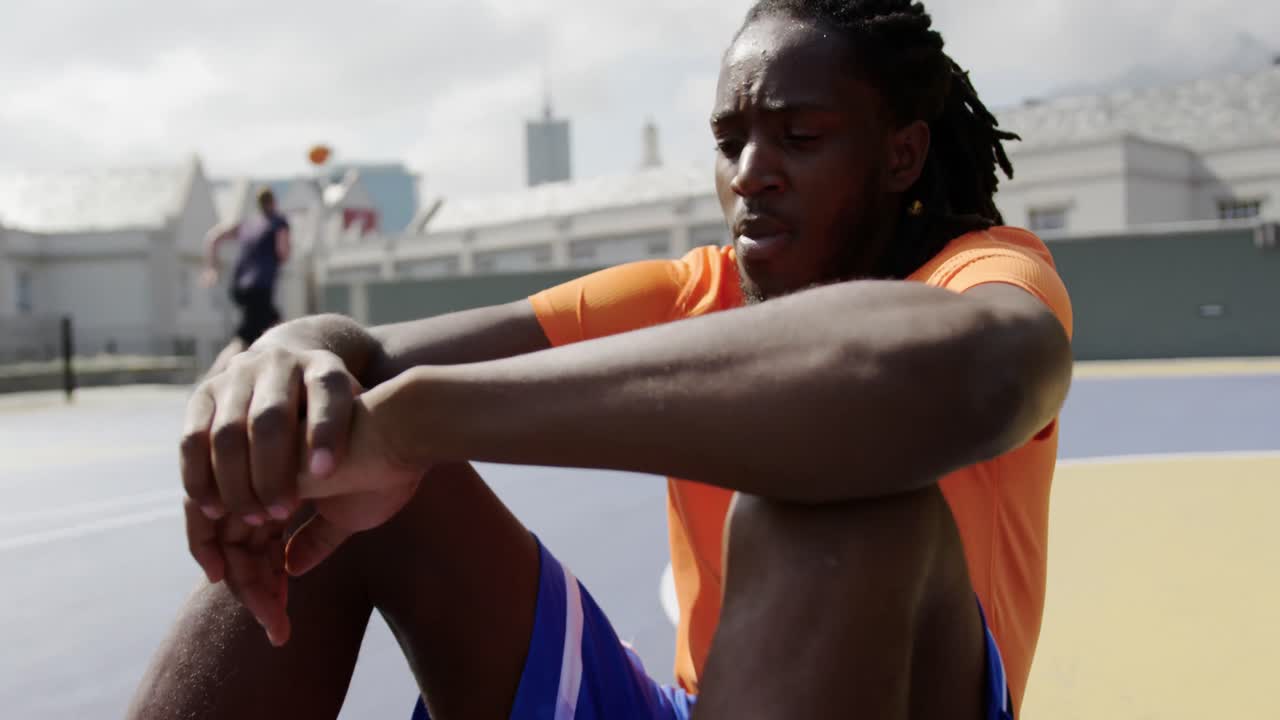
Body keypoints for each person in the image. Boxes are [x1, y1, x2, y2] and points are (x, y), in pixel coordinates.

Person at [130, 1, 1074, 718]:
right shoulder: (690, 288)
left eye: (799, 136)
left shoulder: (985, 272)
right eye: (730, 141)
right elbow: (362, 355)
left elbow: (943, 379)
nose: (750, 172)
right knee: (332, 456)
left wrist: (417, 424)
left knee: (842, 507)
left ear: (903, 155)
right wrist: (290, 354)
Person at [202, 187, 292, 367]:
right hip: (259, 287)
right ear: (273, 202)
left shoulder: (247, 223)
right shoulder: (279, 223)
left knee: (279, 325)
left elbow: (213, 237)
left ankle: (281, 366)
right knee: (242, 340)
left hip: (239, 287)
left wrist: (212, 267)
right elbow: (283, 253)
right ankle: (212, 379)